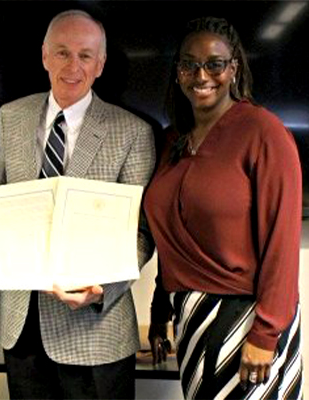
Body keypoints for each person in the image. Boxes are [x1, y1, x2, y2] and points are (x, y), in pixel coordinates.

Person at [0, 9, 156, 399]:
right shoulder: (10, 117)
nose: (72, 66)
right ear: (44, 56)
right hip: (23, 327)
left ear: (100, 64)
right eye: (62, 53)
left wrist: (101, 288)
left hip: (95, 334)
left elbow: (142, 233)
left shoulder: (132, 132)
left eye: (85, 55)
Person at [144, 16, 303, 399]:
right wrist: (160, 308)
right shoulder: (171, 142)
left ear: (233, 68)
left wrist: (266, 334)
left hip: (248, 321)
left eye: (214, 63)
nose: (202, 75)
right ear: (178, 72)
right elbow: (173, 238)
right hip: (191, 321)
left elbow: (282, 244)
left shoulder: (264, 133)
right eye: (189, 64)